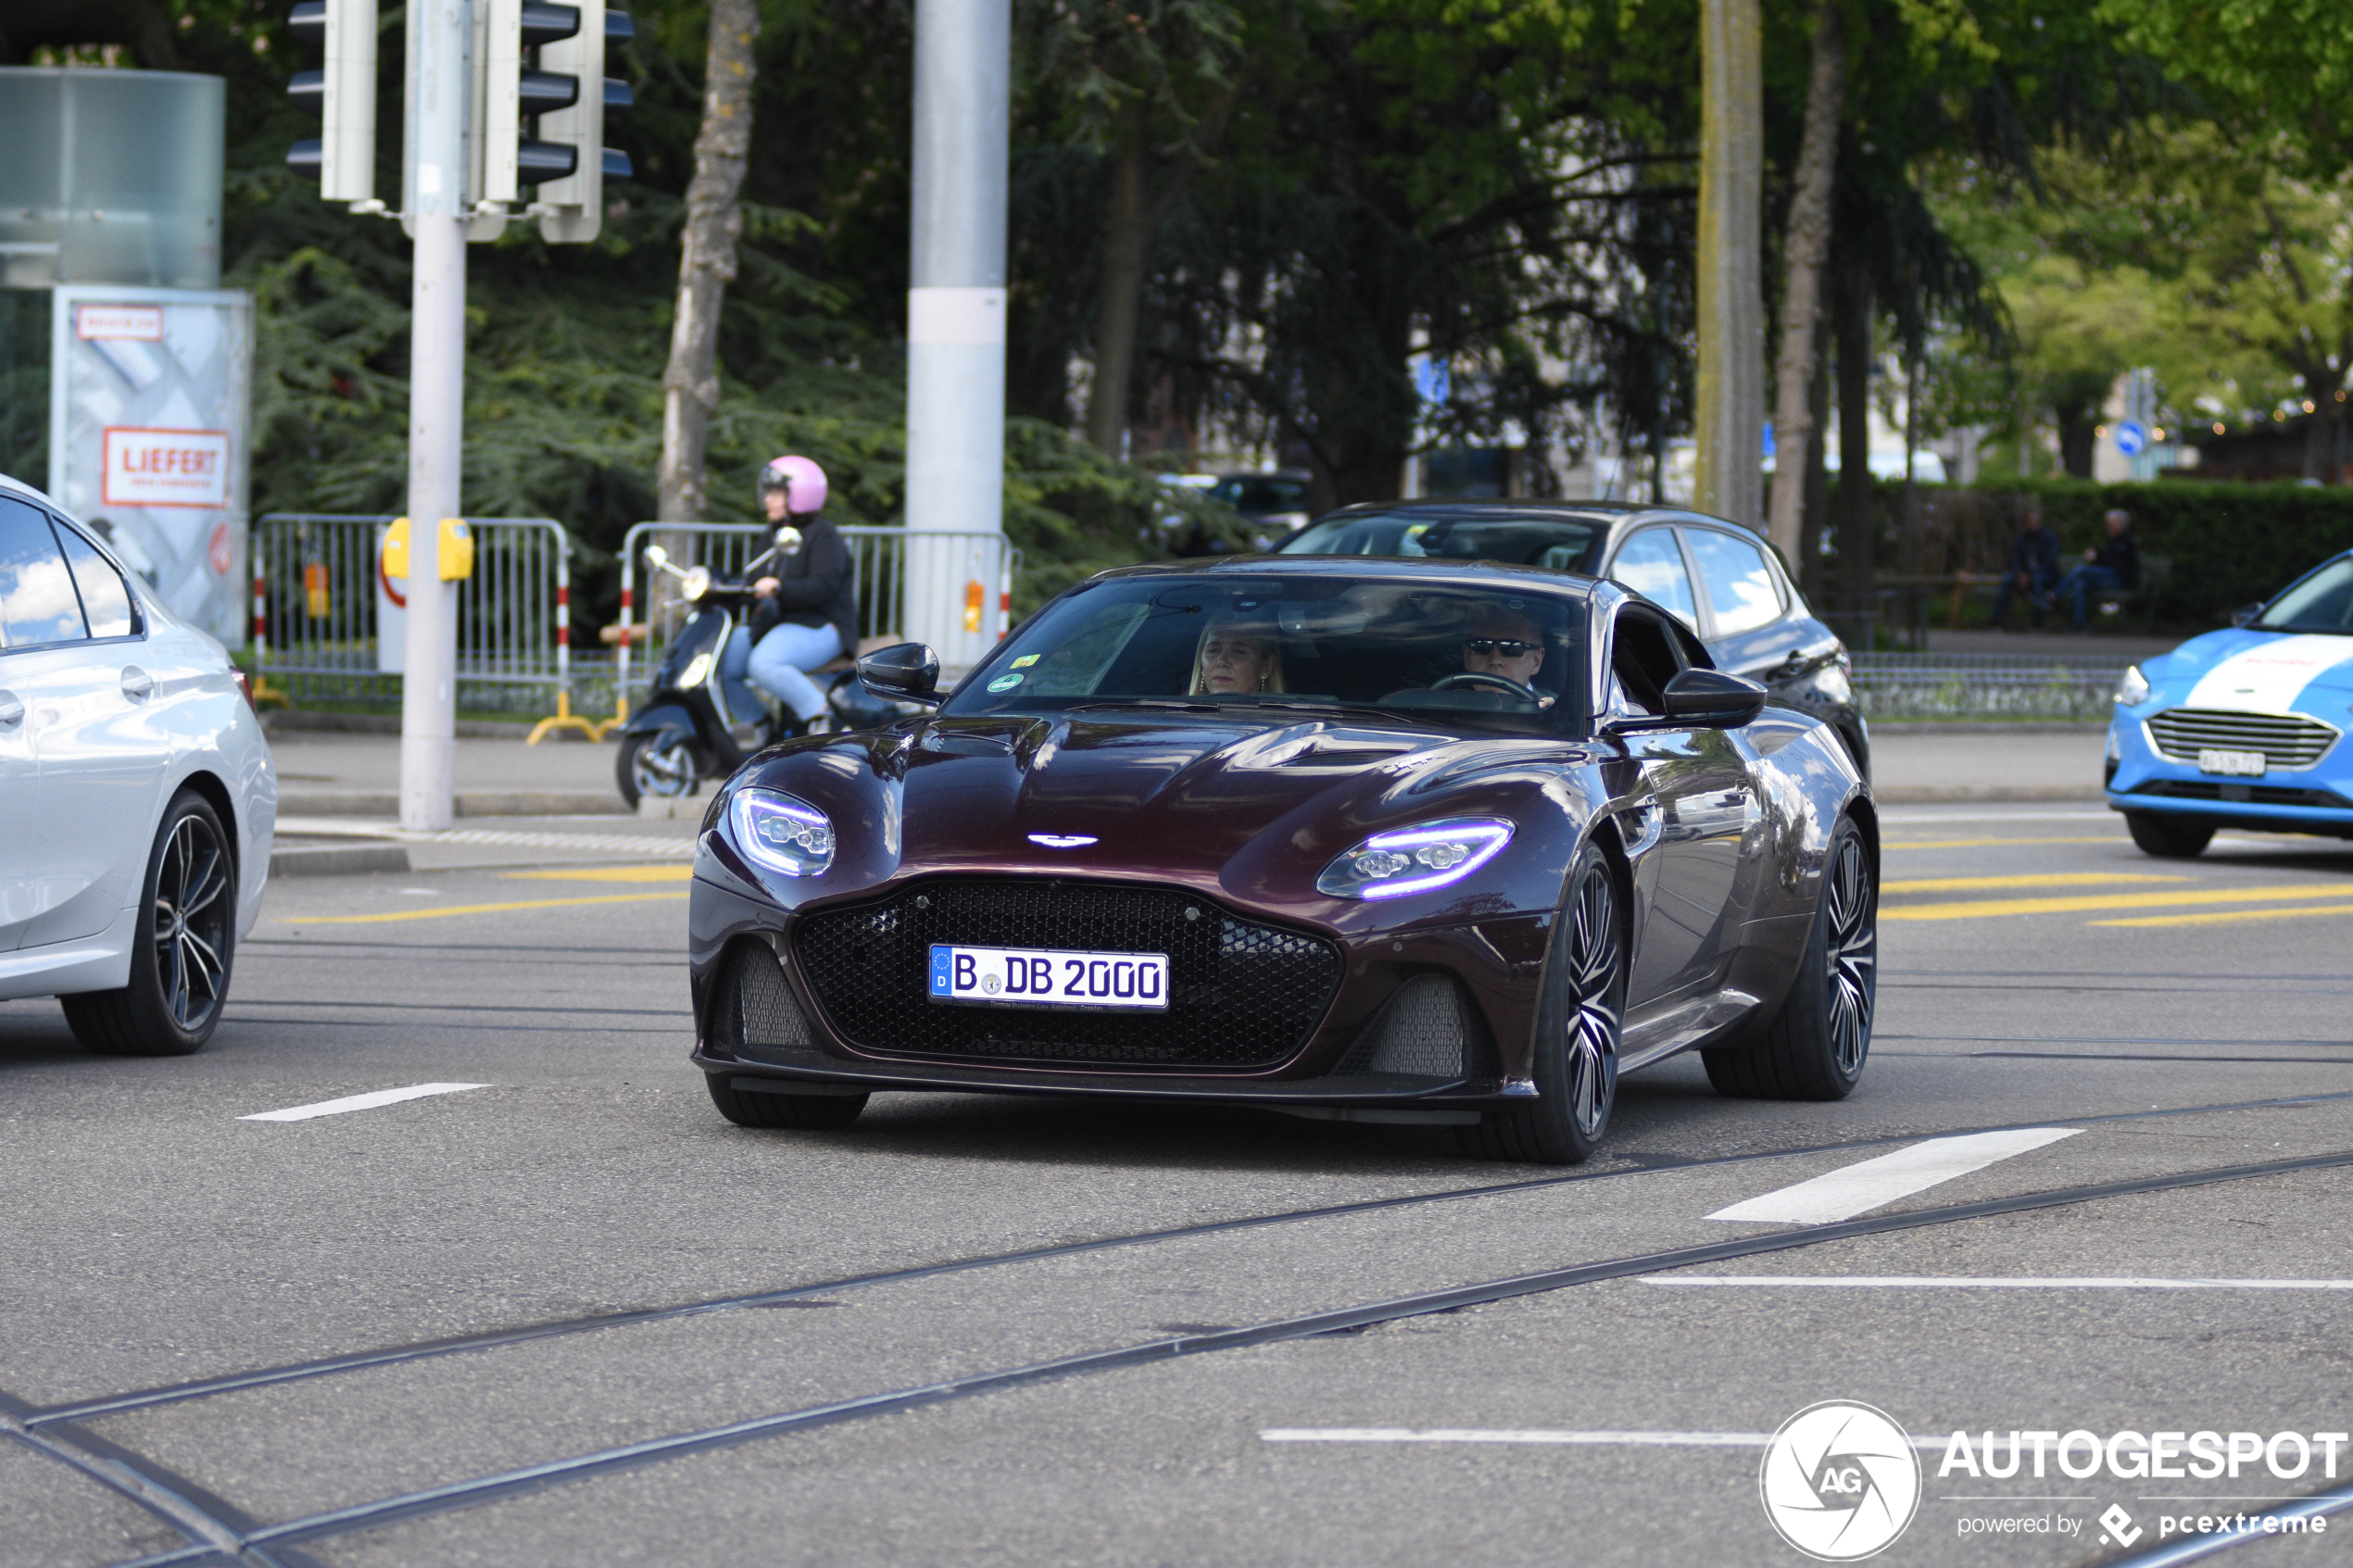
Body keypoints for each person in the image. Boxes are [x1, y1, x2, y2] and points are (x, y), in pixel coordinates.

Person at [719, 456, 860, 731]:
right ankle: (760, 724)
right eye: (767, 492)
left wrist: (780, 588)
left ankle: (822, 717)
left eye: (775, 493)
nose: (767, 500)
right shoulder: (773, 533)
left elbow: (822, 587)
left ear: (800, 493)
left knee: (764, 663)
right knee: (718, 663)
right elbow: (755, 578)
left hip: (822, 625)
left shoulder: (824, 536)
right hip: (777, 625)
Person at [2052, 508, 2140, 632]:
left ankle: (2055, 594)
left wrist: (2097, 557)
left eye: (2111, 524)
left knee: (2081, 570)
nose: (2107, 527)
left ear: (2120, 526)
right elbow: (2106, 560)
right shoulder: (2112, 541)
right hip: (2107, 579)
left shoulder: (2126, 543)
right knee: (2080, 584)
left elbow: (2114, 565)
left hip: (2118, 580)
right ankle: (2079, 624)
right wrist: (2096, 556)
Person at [1989, 502, 2059, 629]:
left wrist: (2031, 575)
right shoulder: (2022, 538)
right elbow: (2015, 559)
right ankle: (1996, 621)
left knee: (2038, 582)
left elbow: (2050, 562)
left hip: (2045, 575)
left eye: (2034, 522)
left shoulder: (2049, 537)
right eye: (2029, 522)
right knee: (2008, 580)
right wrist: (2019, 574)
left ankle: (2037, 623)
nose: (2031, 525)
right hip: (2023, 575)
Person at [1459, 602, 1548, 695]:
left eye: (1511, 647)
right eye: (1481, 646)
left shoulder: (1557, 707)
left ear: (1536, 661)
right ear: (1467, 658)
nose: (1495, 660)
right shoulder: (1447, 705)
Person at [1189, 618, 1286, 695]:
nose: (1222, 661)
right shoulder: (1178, 714)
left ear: (1266, 666)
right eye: (1214, 650)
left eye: (1239, 651)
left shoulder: (1289, 719)